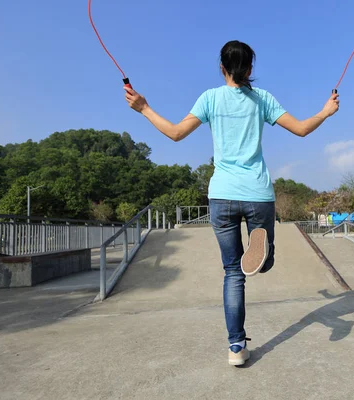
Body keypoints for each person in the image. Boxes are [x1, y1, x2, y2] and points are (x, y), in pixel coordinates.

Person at [124, 40, 339, 366]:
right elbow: (301, 130)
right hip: (257, 195)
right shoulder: (262, 99)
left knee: (232, 273)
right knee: (263, 263)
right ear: (250, 70)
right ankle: (261, 249)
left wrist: (144, 108)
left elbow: (176, 133)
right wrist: (326, 110)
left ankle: (236, 347)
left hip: (221, 196)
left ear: (222, 68)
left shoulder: (210, 98)